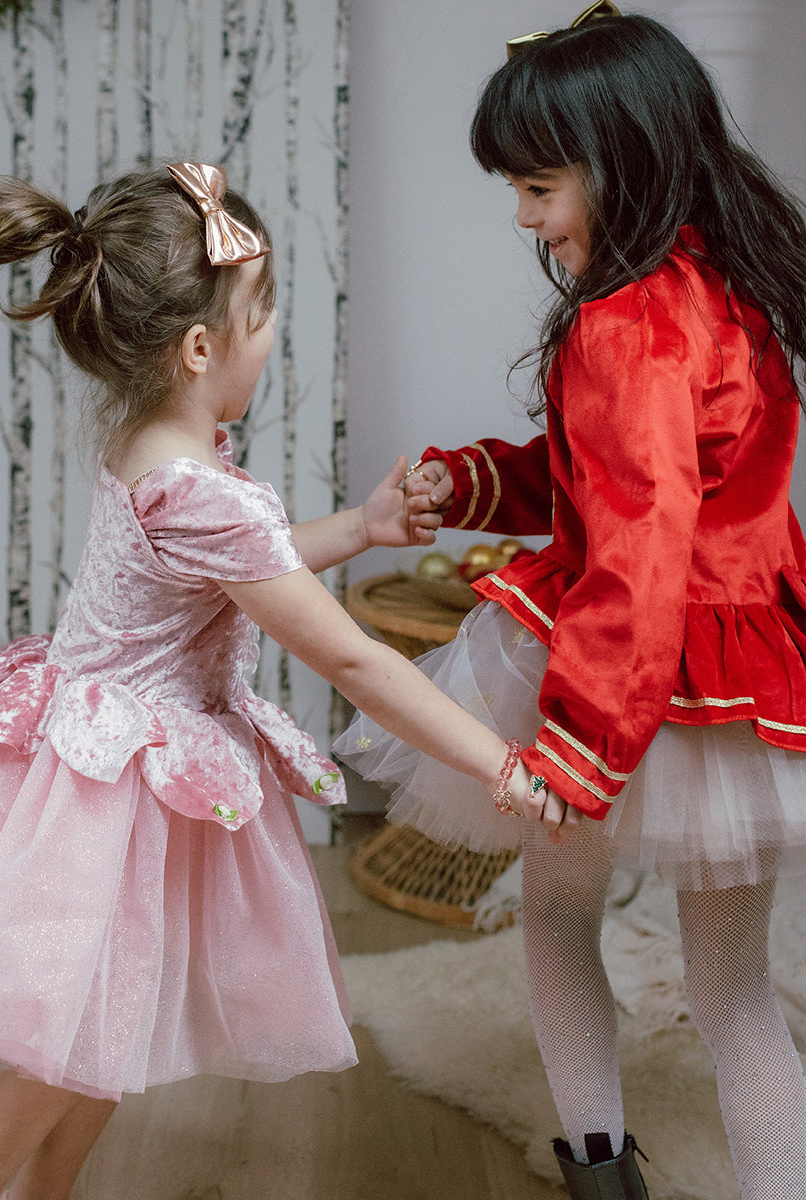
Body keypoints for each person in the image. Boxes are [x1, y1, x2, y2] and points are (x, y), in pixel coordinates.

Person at [0, 160, 541, 1200]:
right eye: (261, 311)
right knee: (58, 1053)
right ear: (197, 349)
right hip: (110, 791)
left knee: (104, 1032)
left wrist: (360, 529)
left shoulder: (164, 447)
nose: (271, 330)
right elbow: (351, 656)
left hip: (122, 763)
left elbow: (249, 567)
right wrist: (499, 759)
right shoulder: (199, 489)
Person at [338, 7, 806, 1199]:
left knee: (555, 921)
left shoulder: (623, 322)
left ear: (624, 158)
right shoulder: (728, 284)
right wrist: (482, 478)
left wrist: (578, 750)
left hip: (618, 671)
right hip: (741, 672)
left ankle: (602, 1170)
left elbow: (637, 549)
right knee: (735, 990)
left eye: (539, 187)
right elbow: (620, 478)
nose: (524, 217)